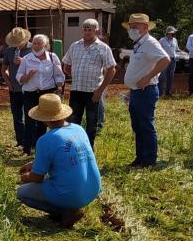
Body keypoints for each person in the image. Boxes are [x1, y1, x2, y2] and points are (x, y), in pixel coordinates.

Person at [16, 93, 101, 228]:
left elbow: (37, 178)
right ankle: (70, 207)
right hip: (93, 189)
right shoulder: (78, 129)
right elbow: (66, 155)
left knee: (22, 192)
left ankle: (66, 211)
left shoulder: (45, 140)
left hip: (72, 193)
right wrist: (34, 164)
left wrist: (25, 177)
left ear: (43, 118)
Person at [123, 13, 171, 168]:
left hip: (146, 91)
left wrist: (148, 77)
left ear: (145, 27)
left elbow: (165, 60)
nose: (132, 29)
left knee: (145, 126)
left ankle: (149, 161)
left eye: (135, 26)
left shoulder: (150, 42)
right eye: (130, 26)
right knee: (138, 126)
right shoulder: (139, 44)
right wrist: (132, 89)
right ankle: (140, 158)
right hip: (137, 91)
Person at [62, 19, 116, 149]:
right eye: (85, 29)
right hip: (76, 90)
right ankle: (73, 148)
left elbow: (111, 69)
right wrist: (75, 75)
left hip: (93, 92)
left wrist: (100, 90)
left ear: (96, 31)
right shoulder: (75, 45)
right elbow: (66, 65)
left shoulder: (103, 48)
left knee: (92, 125)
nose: (87, 32)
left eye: (90, 29)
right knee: (73, 122)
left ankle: (88, 150)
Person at [15, 34, 65, 154]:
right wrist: (27, 76)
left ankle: (40, 148)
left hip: (46, 93)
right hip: (30, 93)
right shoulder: (27, 58)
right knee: (30, 120)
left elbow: (59, 75)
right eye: (34, 43)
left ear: (45, 45)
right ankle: (27, 148)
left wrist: (59, 86)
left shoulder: (53, 58)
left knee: (43, 121)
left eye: (39, 43)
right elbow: (19, 77)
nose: (36, 46)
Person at [1, 27, 32, 150]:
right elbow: (4, 69)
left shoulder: (33, 49)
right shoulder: (9, 51)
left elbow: (40, 67)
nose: (17, 45)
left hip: (30, 89)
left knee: (30, 115)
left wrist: (24, 62)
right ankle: (21, 141)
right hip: (14, 90)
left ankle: (31, 141)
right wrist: (8, 83)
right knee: (17, 116)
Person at [158, 26, 179, 97]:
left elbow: (177, 49)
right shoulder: (162, 40)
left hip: (173, 60)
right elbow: (158, 50)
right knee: (162, 76)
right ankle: (160, 92)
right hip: (165, 60)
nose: (173, 34)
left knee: (170, 76)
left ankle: (168, 92)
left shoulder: (175, 40)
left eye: (173, 33)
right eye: (172, 33)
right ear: (168, 33)